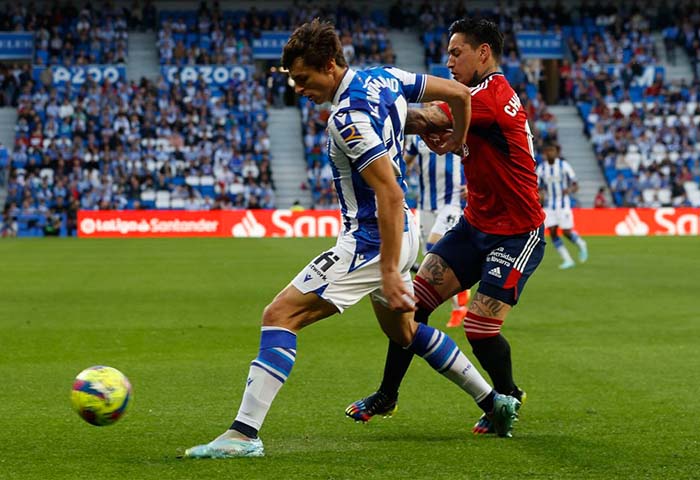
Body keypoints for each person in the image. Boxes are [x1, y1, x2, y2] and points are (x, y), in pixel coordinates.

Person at [183, 19, 520, 460]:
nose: (299, 89)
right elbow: (458, 95)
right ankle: (493, 401)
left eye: (304, 79)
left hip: (371, 240)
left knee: (280, 315)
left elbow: (389, 190)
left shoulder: (349, 117)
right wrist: (457, 139)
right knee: (406, 332)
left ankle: (244, 435)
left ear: (329, 65)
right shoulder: (384, 76)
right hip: (404, 231)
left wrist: (389, 272)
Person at [345, 18, 546, 436]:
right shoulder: (475, 100)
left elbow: (427, 117)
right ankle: (387, 395)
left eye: (457, 53)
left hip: (516, 232)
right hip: (474, 226)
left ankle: (506, 398)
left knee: (479, 328)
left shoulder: (490, 96)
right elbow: (439, 125)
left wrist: (369, 107)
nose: (449, 61)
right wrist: (445, 133)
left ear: (483, 53)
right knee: (408, 306)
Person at [405, 132, 470, 327]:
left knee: (436, 246)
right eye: (427, 102)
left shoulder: (454, 132)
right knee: (432, 262)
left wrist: (473, 184)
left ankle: (459, 307)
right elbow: (404, 164)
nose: (430, 105)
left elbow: (475, 155)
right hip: (425, 205)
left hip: (452, 202)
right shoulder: (417, 138)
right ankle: (458, 305)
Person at [536, 140, 588, 269]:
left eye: (553, 151)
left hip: (563, 204)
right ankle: (567, 259)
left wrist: (569, 190)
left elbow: (575, 185)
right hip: (549, 205)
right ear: (545, 153)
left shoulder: (564, 166)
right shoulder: (541, 168)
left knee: (566, 231)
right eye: (549, 151)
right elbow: (537, 187)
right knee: (552, 232)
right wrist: (540, 196)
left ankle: (581, 244)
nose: (551, 153)